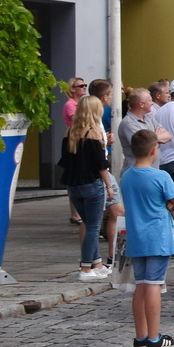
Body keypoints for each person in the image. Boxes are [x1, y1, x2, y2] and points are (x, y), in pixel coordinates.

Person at [119, 129, 174, 347]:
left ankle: (141, 336)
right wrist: (167, 205)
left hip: (136, 237)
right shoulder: (161, 176)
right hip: (157, 236)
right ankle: (155, 337)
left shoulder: (127, 176)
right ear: (154, 151)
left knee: (140, 284)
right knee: (154, 284)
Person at [60, 95, 115, 282]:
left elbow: (64, 161)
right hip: (92, 183)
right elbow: (100, 165)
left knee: (88, 223)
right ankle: (85, 268)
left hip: (73, 184)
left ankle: (97, 263)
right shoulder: (94, 133)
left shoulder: (70, 132)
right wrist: (109, 186)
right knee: (93, 226)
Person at [115, 89, 154, 164]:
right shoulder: (128, 123)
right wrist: (157, 137)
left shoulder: (149, 118)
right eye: (150, 100)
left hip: (150, 168)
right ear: (142, 104)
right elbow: (143, 145)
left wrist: (151, 139)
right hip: (137, 169)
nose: (152, 103)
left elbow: (168, 135)